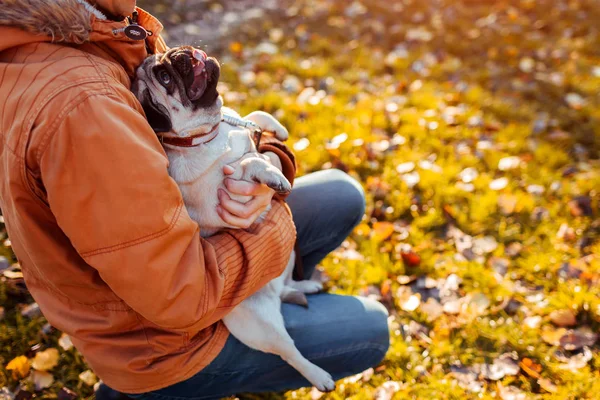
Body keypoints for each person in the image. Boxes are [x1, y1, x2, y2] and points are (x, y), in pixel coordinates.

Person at [0, 1, 390, 399]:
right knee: (372, 331)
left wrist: (270, 158)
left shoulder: (90, 27)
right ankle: (150, 391)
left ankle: (272, 301)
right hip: (161, 345)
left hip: (173, 261)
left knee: (341, 195)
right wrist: (273, 224)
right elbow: (181, 296)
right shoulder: (85, 106)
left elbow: (198, 126)